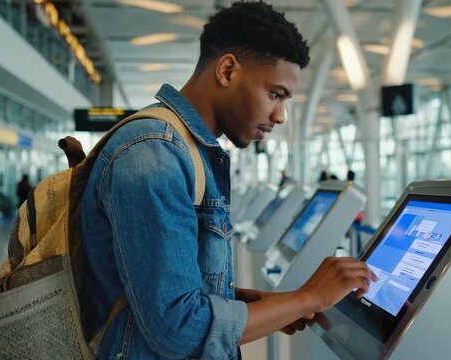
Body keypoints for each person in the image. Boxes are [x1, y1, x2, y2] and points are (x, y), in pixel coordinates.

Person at [80, 2, 376, 359]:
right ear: (227, 70)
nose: (280, 115)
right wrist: (308, 297)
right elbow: (178, 329)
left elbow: (154, 288)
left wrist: (266, 307)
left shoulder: (185, 150)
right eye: (274, 94)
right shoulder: (154, 153)